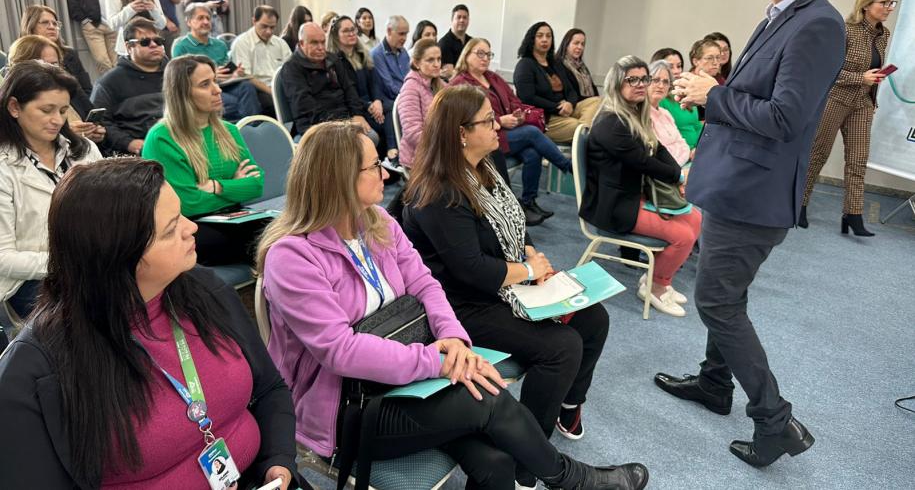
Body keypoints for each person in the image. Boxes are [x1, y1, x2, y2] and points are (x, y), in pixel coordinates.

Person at [258, 120, 648, 490]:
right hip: (346, 406)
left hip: (405, 377)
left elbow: (426, 284)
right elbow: (340, 352)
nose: (385, 172)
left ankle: (551, 474)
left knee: (495, 460)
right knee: (489, 397)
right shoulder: (292, 257)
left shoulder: (376, 221)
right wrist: (437, 361)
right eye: (374, 165)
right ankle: (571, 479)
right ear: (339, 180)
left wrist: (455, 339)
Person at [0, 157, 303, 490]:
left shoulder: (203, 290)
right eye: (171, 229)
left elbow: (270, 388)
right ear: (118, 255)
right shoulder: (36, 369)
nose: (192, 228)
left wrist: (278, 461)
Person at [661, 0, 845, 467]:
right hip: (735, 182)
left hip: (753, 194)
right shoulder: (779, 16)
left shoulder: (819, 23)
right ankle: (716, 384)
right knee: (728, 296)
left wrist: (712, 95)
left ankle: (774, 421)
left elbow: (785, 119)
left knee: (717, 302)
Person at [402, 85, 612, 486]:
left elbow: (515, 223)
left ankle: (570, 406)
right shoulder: (437, 190)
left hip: (504, 285)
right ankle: (526, 460)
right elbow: (471, 270)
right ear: (460, 133)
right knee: (561, 347)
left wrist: (537, 264)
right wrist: (528, 271)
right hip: (461, 306)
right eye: (486, 120)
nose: (497, 123)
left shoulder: (486, 163)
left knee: (593, 317)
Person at [580, 56, 700, 317]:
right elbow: (643, 162)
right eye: (631, 79)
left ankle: (657, 278)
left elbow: (658, 150)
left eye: (643, 79)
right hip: (613, 207)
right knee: (684, 236)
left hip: (633, 197)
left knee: (695, 218)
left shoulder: (636, 114)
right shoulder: (612, 121)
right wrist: (679, 178)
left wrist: (678, 174)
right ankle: (656, 287)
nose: (639, 84)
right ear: (616, 84)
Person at [0, 61, 102, 318]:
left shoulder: (85, 150)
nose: (57, 120)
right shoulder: (3, 166)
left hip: (95, 262)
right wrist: (70, 263)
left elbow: (110, 207)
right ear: (14, 107)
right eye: (46, 110)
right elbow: (4, 258)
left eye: (64, 110)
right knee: (91, 314)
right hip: (32, 280)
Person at [142, 55, 263, 267]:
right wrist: (235, 187)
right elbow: (187, 203)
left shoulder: (229, 131)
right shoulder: (162, 137)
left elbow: (256, 184)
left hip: (234, 217)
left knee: (279, 229)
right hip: (189, 227)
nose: (218, 90)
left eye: (215, 81)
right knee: (263, 240)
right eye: (205, 84)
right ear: (182, 94)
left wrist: (216, 186)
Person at [800, 0, 895, 236]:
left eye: (891, 3)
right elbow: (826, 70)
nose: (889, 8)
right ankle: (800, 204)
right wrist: (860, 78)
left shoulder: (884, 35)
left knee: (858, 160)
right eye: (884, 3)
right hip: (836, 99)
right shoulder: (846, 30)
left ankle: (853, 214)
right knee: (817, 154)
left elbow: (870, 70)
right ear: (866, 4)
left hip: (863, 103)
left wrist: (872, 88)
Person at [451, 37, 572, 225]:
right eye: (480, 54)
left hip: (505, 131)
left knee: (532, 153)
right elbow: (464, 118)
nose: (485, 58)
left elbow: (514, 99)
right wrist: (501, 120)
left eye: (488, 54)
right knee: (532, 133)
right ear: (466, 55)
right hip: (486, 136)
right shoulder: (459, 83)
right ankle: (567, 167)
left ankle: (528, 203)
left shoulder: (493, 77)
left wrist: (518, 114)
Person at [278, 22, 373, 139]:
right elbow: (305, 108)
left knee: (373, 132)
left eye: (323, 42)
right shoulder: (291, 68)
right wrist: (339, 126)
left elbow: (349, 89)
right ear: (301, 44)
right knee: (361, 142)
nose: (320, 47)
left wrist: (357, 114)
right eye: (314, 43)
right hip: (316, 127)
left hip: (344, 119)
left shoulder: (332, 59)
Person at [3, 36, 104, 146]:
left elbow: (97, 121)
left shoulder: (70, 89)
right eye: (46, 110)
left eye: (63, 111)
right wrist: (66, 134)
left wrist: (96, 132)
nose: (59, 121)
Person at [91, 18, 169, 155]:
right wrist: (128, 143)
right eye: (145, 42)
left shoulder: (176, 74)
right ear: (128, 47)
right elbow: (100, 123)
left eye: (158, 41)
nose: (153, 45)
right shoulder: (110, 81)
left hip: (181, 143)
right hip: (138, 152)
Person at [514, 22, 602, 144]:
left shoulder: (554, 63)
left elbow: (570, 91)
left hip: (565, 109)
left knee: (597, 101)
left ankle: (584, 137)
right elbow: (527, 97)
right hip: (546, 117)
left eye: (548, 36)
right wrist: (556, 108)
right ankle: (585, 140)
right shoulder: (525, 65)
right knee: (580, 127)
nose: (545, 40)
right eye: (540, 36)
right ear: (532, 40)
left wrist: (570, 103)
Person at [172, 3, 262, 120]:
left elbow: (227, 67)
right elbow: (181, 77)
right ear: (189, 22)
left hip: (227, 84)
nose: (205, 22)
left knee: (247, 86)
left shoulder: (220, 45)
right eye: (200, 18)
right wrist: (212, 76)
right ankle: (244, 130)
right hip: (203, 88)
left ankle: (252, 130)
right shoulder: (181, 46)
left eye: (208, 18)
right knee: (238, 103)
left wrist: (235, 73)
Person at [326, 15, 386, 144]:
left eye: (353, 29)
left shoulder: (362, 54)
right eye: (346, 31)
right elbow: (346, 93)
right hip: (355, 108)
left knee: (392, 112)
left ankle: (392, 156)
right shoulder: (335, 61)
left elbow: (375, 82)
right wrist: (369, 105)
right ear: (336, 36)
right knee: (377, 131)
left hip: (370, 105)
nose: (352, 33)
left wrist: (377, 100)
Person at [230, 5, 293, 116]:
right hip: (258, 90)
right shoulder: (242, 43)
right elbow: (247, 77)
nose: (268, 31)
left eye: (272, 27)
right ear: (254, 21)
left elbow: (291, 70)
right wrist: (273, 92)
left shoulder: (281, 44)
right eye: (264, 26)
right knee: (275, 103)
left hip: (282, 87)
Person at [19, 4, 92, 94]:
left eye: (55, 23)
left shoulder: (70, 54)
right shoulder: (20, 56)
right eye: (45, 23)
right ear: (30, 26)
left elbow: (87, 90)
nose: (52, 27)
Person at [396, 39, 444, 169]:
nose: (437, 64)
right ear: (416, 63)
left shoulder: (439, 84)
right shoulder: (410, 88)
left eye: (439, 59)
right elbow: (413, 132)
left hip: (438, 151)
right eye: (430, 60)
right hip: (419, 157)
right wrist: (444, 145)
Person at [371, 15, 411, 165]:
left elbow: (410, 77)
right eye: (401, 34)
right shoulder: (377, 54)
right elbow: (389, 85)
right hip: (388, 99)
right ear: (389, 31)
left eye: (406, 33)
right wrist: (409, 94)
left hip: (402, 96)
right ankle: (393, 151)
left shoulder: (404, 52)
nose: (405, 38)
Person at [650, 47, 703, 149]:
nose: (676, 71)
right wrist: (690, 151)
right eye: (670, 67)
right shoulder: (659, 99)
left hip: (698, 150)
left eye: (679, 66)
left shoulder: (687, 93)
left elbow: (698, 127)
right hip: (681, 155)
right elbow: (665, 138)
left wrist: (701, 148)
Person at [647, 60, 691, 166]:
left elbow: (683, 143)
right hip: (667, 173)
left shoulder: (665, 113)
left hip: (685, 164)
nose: (661, 86)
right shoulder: (642, 115)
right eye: (656, 80)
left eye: (666, 82)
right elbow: (657, 155)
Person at [556, 28, 599, 103]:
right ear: (566, 44)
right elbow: (569, 94)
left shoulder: (582, 67)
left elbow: (594, 89)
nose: (580, 47)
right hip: (572, 105)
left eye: (582, 44)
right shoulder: (558, 64)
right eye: (576, 43)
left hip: (588, 104)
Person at [438, 4, 471, 78]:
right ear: (452, 20)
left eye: (465, 18)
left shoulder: (471, 41)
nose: (462, 20)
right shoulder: (444, 43)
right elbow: (449, 74)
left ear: (468, 21)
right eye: (458, 17)